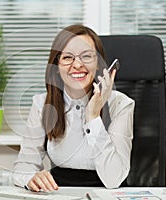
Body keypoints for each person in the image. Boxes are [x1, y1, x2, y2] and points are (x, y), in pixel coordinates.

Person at [12, 24, 135, 191]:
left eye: (86, 56)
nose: (77, 65)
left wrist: (93, 117)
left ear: (99, 64)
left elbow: (114, 180)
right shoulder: (42, 104)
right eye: (67, 57)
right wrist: (31, 178)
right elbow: (23, 168)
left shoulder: (121, 104)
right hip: (59, 193)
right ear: (56, 67)